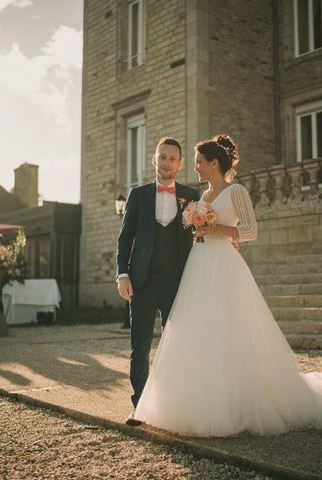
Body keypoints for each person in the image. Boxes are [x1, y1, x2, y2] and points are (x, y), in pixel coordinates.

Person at [132, 135, 322, 437]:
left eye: (199, 163)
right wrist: (197, 229)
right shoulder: (201, 196)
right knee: (200, 332)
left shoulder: (236, 191)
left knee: (232, 330)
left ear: (214, 163)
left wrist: (216, 228)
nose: (196, 168)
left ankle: (237, 402)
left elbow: (251, 230)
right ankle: (202, 400)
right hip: (199, 264)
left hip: (224, 265)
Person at [116, 137, 201, 426]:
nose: (166, 163)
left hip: (178, 281)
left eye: (172, 158)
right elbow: (125, 238)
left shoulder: (192, 196)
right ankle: (139, 407)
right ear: (154, 159)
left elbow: (202, 234)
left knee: (175, 344)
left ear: (180, 163)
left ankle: (173, 404)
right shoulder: (137, 195)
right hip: (141, 282)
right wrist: (122, 274)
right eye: (162, 157)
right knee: (139, 346)